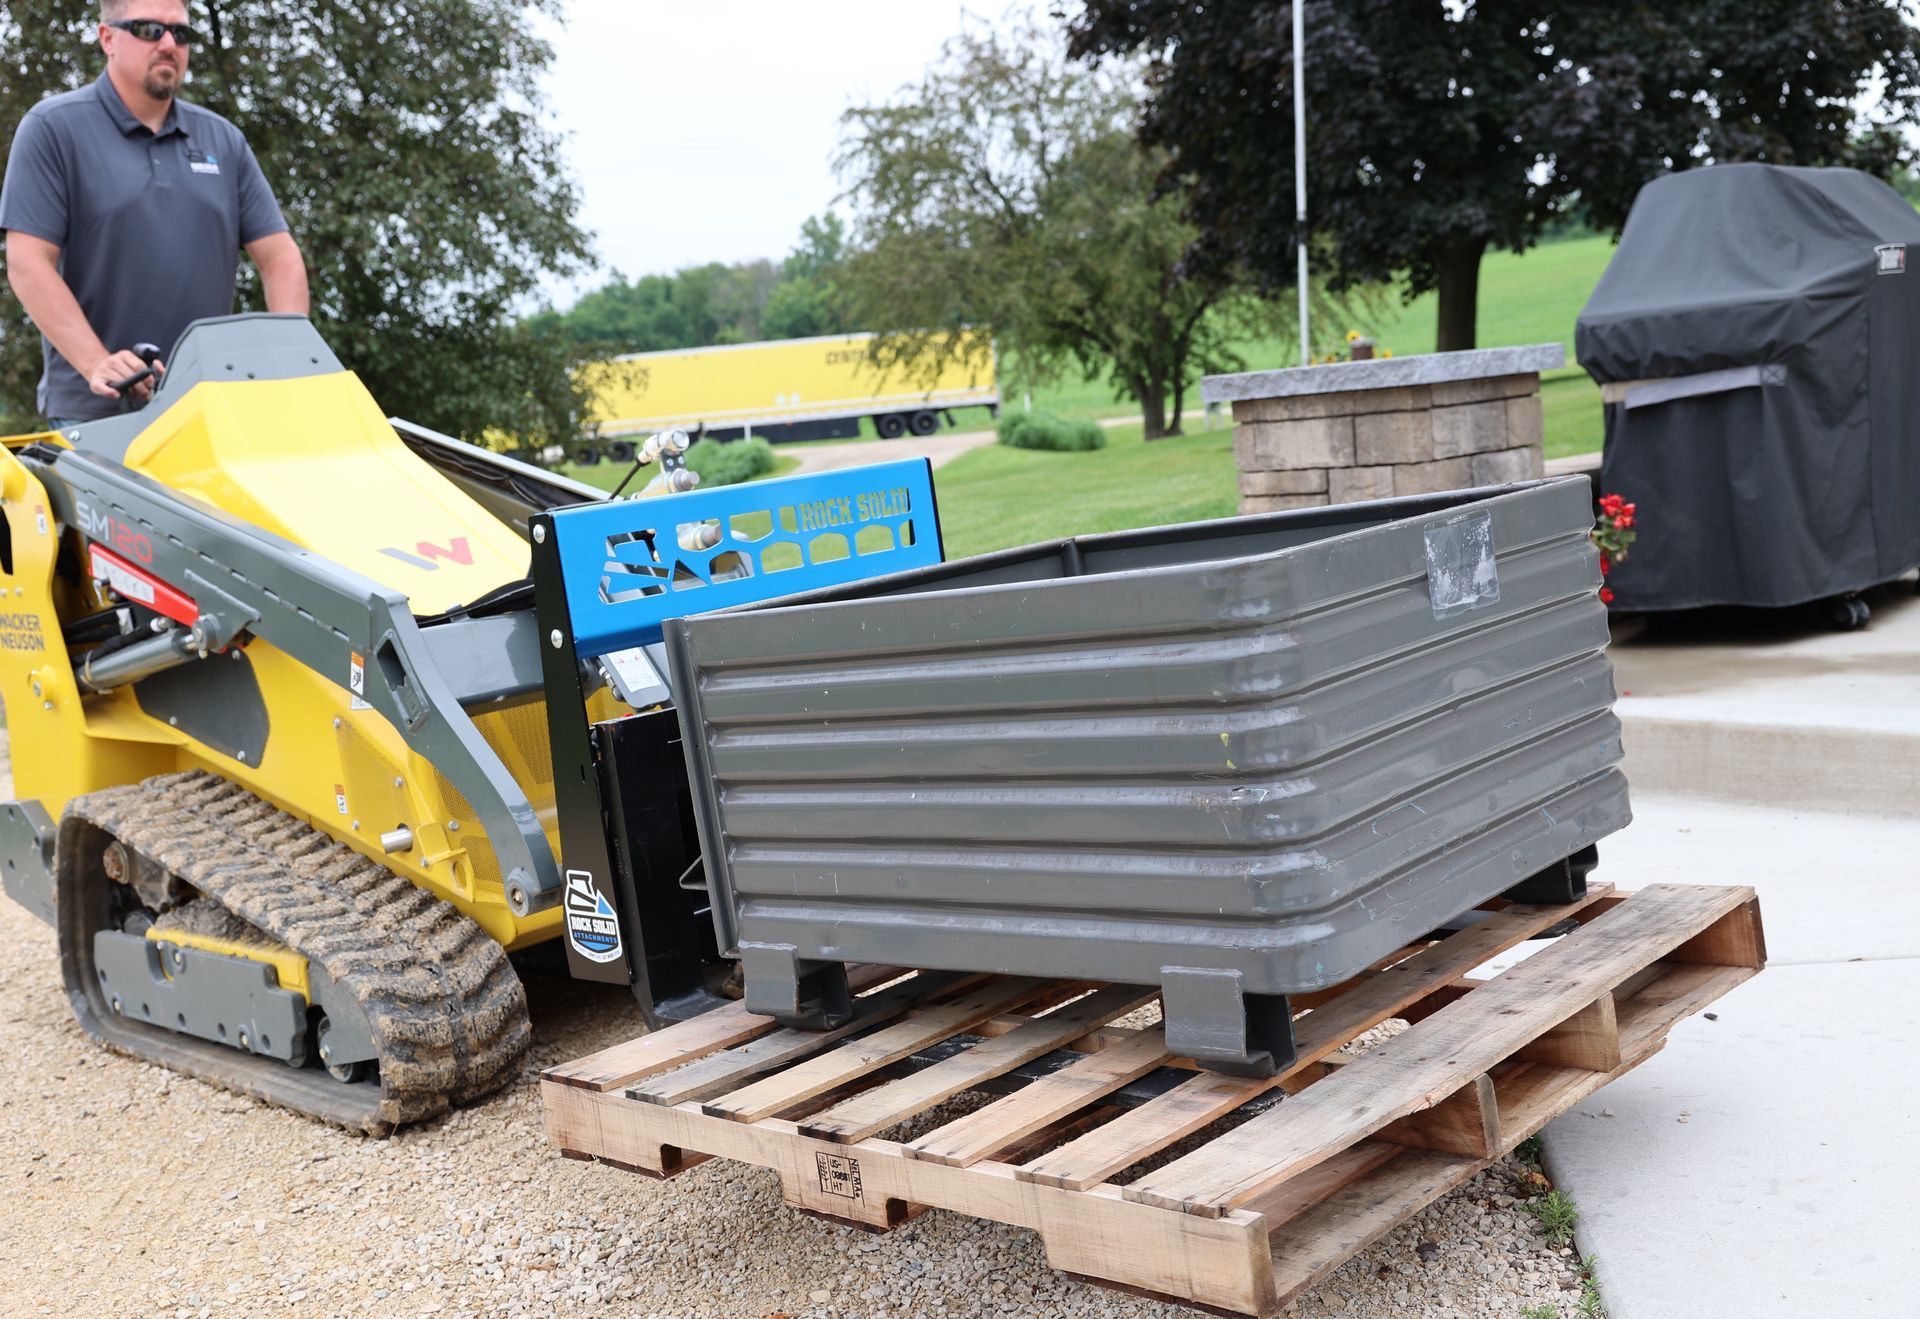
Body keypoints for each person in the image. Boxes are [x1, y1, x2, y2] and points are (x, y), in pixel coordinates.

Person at [0, 0, 307, 429]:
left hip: (208, 413)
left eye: (180, 33)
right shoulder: (53, 129)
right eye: (148, 30)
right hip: (96, 420)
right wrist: (96, 363)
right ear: (107, 37)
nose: (168, 44)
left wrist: (288, 358)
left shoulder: (224, 141)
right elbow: (27, 262)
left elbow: (279, 258)